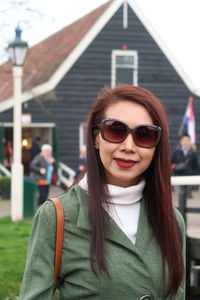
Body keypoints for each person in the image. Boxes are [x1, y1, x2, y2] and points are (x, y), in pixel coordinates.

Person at [19, 85, 185, 299]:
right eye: (115, 130)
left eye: (144, 135)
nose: (128, 146)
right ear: (96, 138)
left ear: (156, 147)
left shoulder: (172, 220)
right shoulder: (56, 217)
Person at [171, 133, 199, 219]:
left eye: (188, 140)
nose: (186, 142)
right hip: (178, 179)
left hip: (189, 179)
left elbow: (196, 166)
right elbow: (171, 164)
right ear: (181, 141)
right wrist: (176, 167)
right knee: (181, 202)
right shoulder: (176, 152)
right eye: (184, 140)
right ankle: (181, 223)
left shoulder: (193, 153)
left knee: (185, 201)